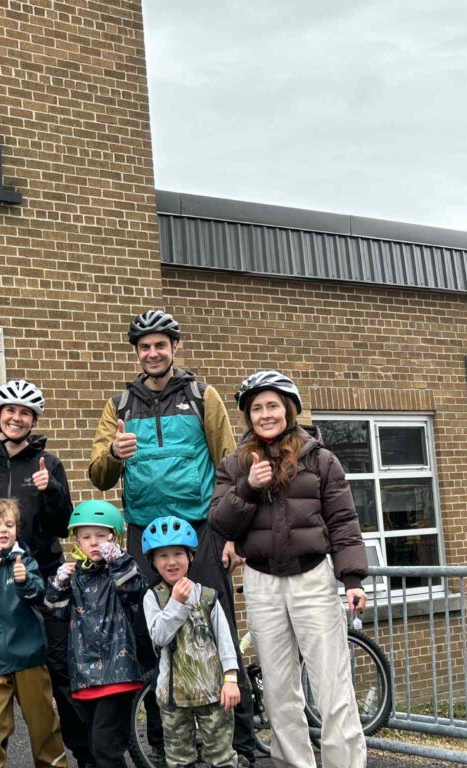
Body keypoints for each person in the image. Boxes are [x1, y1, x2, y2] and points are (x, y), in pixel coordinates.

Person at [87, 309, 256, 765]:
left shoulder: (202, 396)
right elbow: (99, 476)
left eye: (160, 345)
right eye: (144, 347)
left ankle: (240, 743)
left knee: (217, 626)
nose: (153, 353)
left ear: (174, 347)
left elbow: (230, 465)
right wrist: (114, 453)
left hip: (200, 529)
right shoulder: (120, 405)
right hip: (145, 533)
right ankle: (164, 743)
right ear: (136, 352)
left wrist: (231, 534)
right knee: (152, 637)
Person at [210, 370, 369, 768]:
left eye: (272, 406)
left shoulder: (321, 459)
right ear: (248, 416)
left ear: (289, 410)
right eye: (256, 408)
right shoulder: (234, 464)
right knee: (280, 692)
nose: (265, 415)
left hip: (312, 579)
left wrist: (352, 578)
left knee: (332, 686)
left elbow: (343, 523)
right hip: (262, 582)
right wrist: (248, 487)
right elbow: (221, 523)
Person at [0, 379, 88, 767]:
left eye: (25, 413)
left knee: (57, 672)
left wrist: (51, 490)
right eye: (10, 410)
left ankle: (83, 754)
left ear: (33, 420)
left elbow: (63, 526)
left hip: (44, 581)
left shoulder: (48, 464)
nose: (16, 417)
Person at [0, 497, 67, 768]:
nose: (4, 530)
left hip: (29, 657)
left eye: (9, 524)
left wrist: (24, 580)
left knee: (43, 724)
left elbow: (39, 595)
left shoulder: (25, 561)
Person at [43, 500, 146, 768]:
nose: (94, 542)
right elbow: (55, 613)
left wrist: (119, 560)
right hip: (84, 676)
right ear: (76, 540)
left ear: (114, 538)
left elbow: (136, 590)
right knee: (97, 750)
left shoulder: (120, 570)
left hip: (117, 673)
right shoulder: (75, 576)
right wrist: (58, 585)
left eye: (101, 536)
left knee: (105, 751)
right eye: (86, 537)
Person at [142, 516, 242, 768]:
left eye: (178, 553)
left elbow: (225, 641)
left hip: (213, 693)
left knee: (222, 756)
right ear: (153, 561)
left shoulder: (207, 596)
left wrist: (231, 680)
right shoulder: (153, 598)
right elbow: (159, 637)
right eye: (163, 556)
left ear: (190, 556)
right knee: (179, 760)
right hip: (173, 698)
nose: (171, 561)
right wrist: (176, 603)